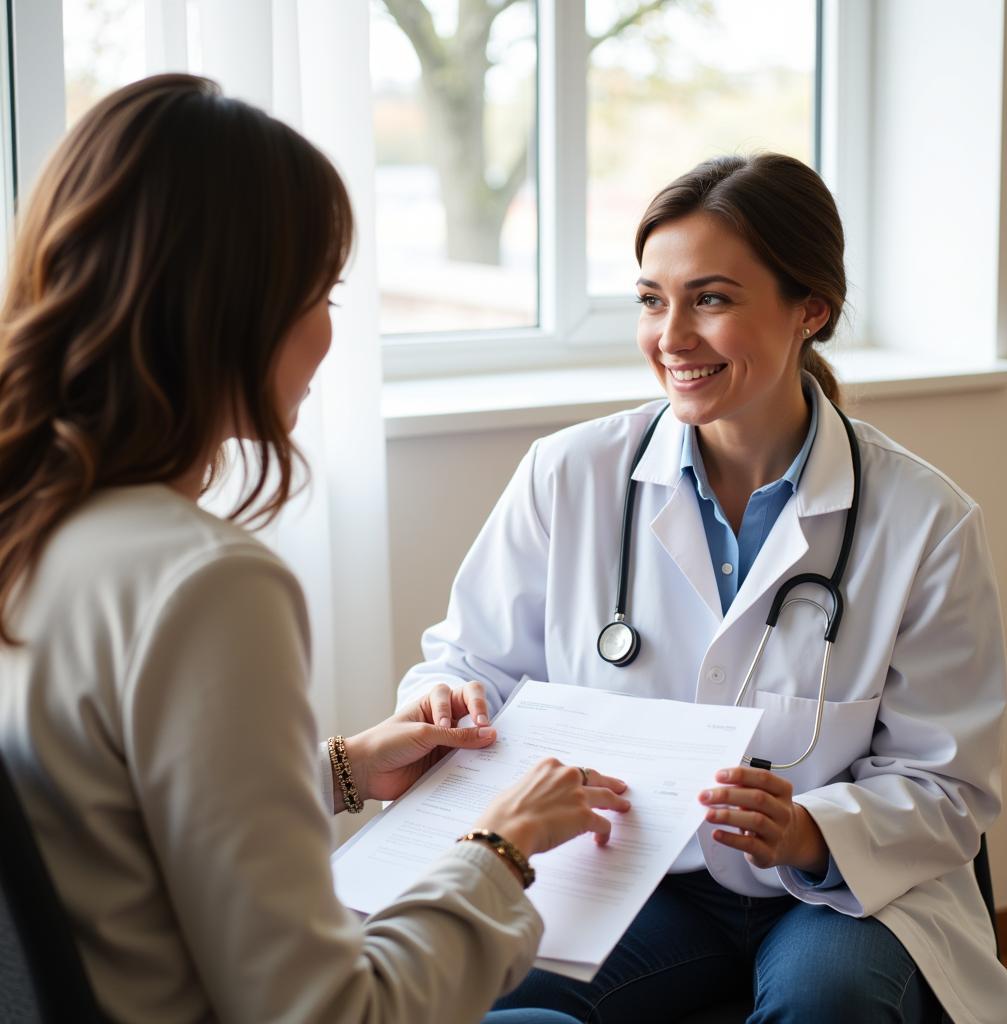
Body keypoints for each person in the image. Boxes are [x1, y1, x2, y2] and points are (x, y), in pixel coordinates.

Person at [0, 74, 634, 1024]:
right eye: (323, 289)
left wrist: (343, 767)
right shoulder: (205, 584)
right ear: (234, 309)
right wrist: (497, 847)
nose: (331, 330)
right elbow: (330, 1012)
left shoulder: (35, 527)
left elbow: (102, 817)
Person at [397, 153, 1007, 1022]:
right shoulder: (570, 476)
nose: (672, 336)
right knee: (479, 994)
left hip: (834, 896)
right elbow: (471, 658)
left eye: (712, 298)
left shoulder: (926, 522)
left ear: (812, 309)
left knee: (826, 1003)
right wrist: (448, 698)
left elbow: (948, 787)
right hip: (634, 874)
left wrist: (810, 832)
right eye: (653, 299)